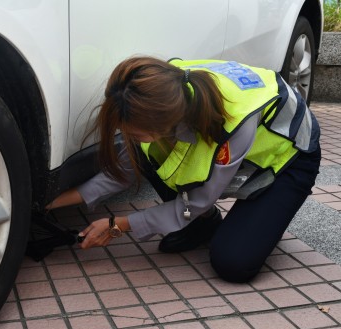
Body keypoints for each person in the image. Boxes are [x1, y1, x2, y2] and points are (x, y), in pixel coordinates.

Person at [47, 56, 321, 283]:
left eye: (134, 132)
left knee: (233, 263)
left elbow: (198, 201)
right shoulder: (157, 96)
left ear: (163, 126)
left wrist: (119, 225)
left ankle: (263, 212)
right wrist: (52, 202)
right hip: (229, 147)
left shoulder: (233, 124)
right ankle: (203, 227)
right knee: (149, 156)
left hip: (288, 160)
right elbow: (125, 169)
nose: (127, 135)